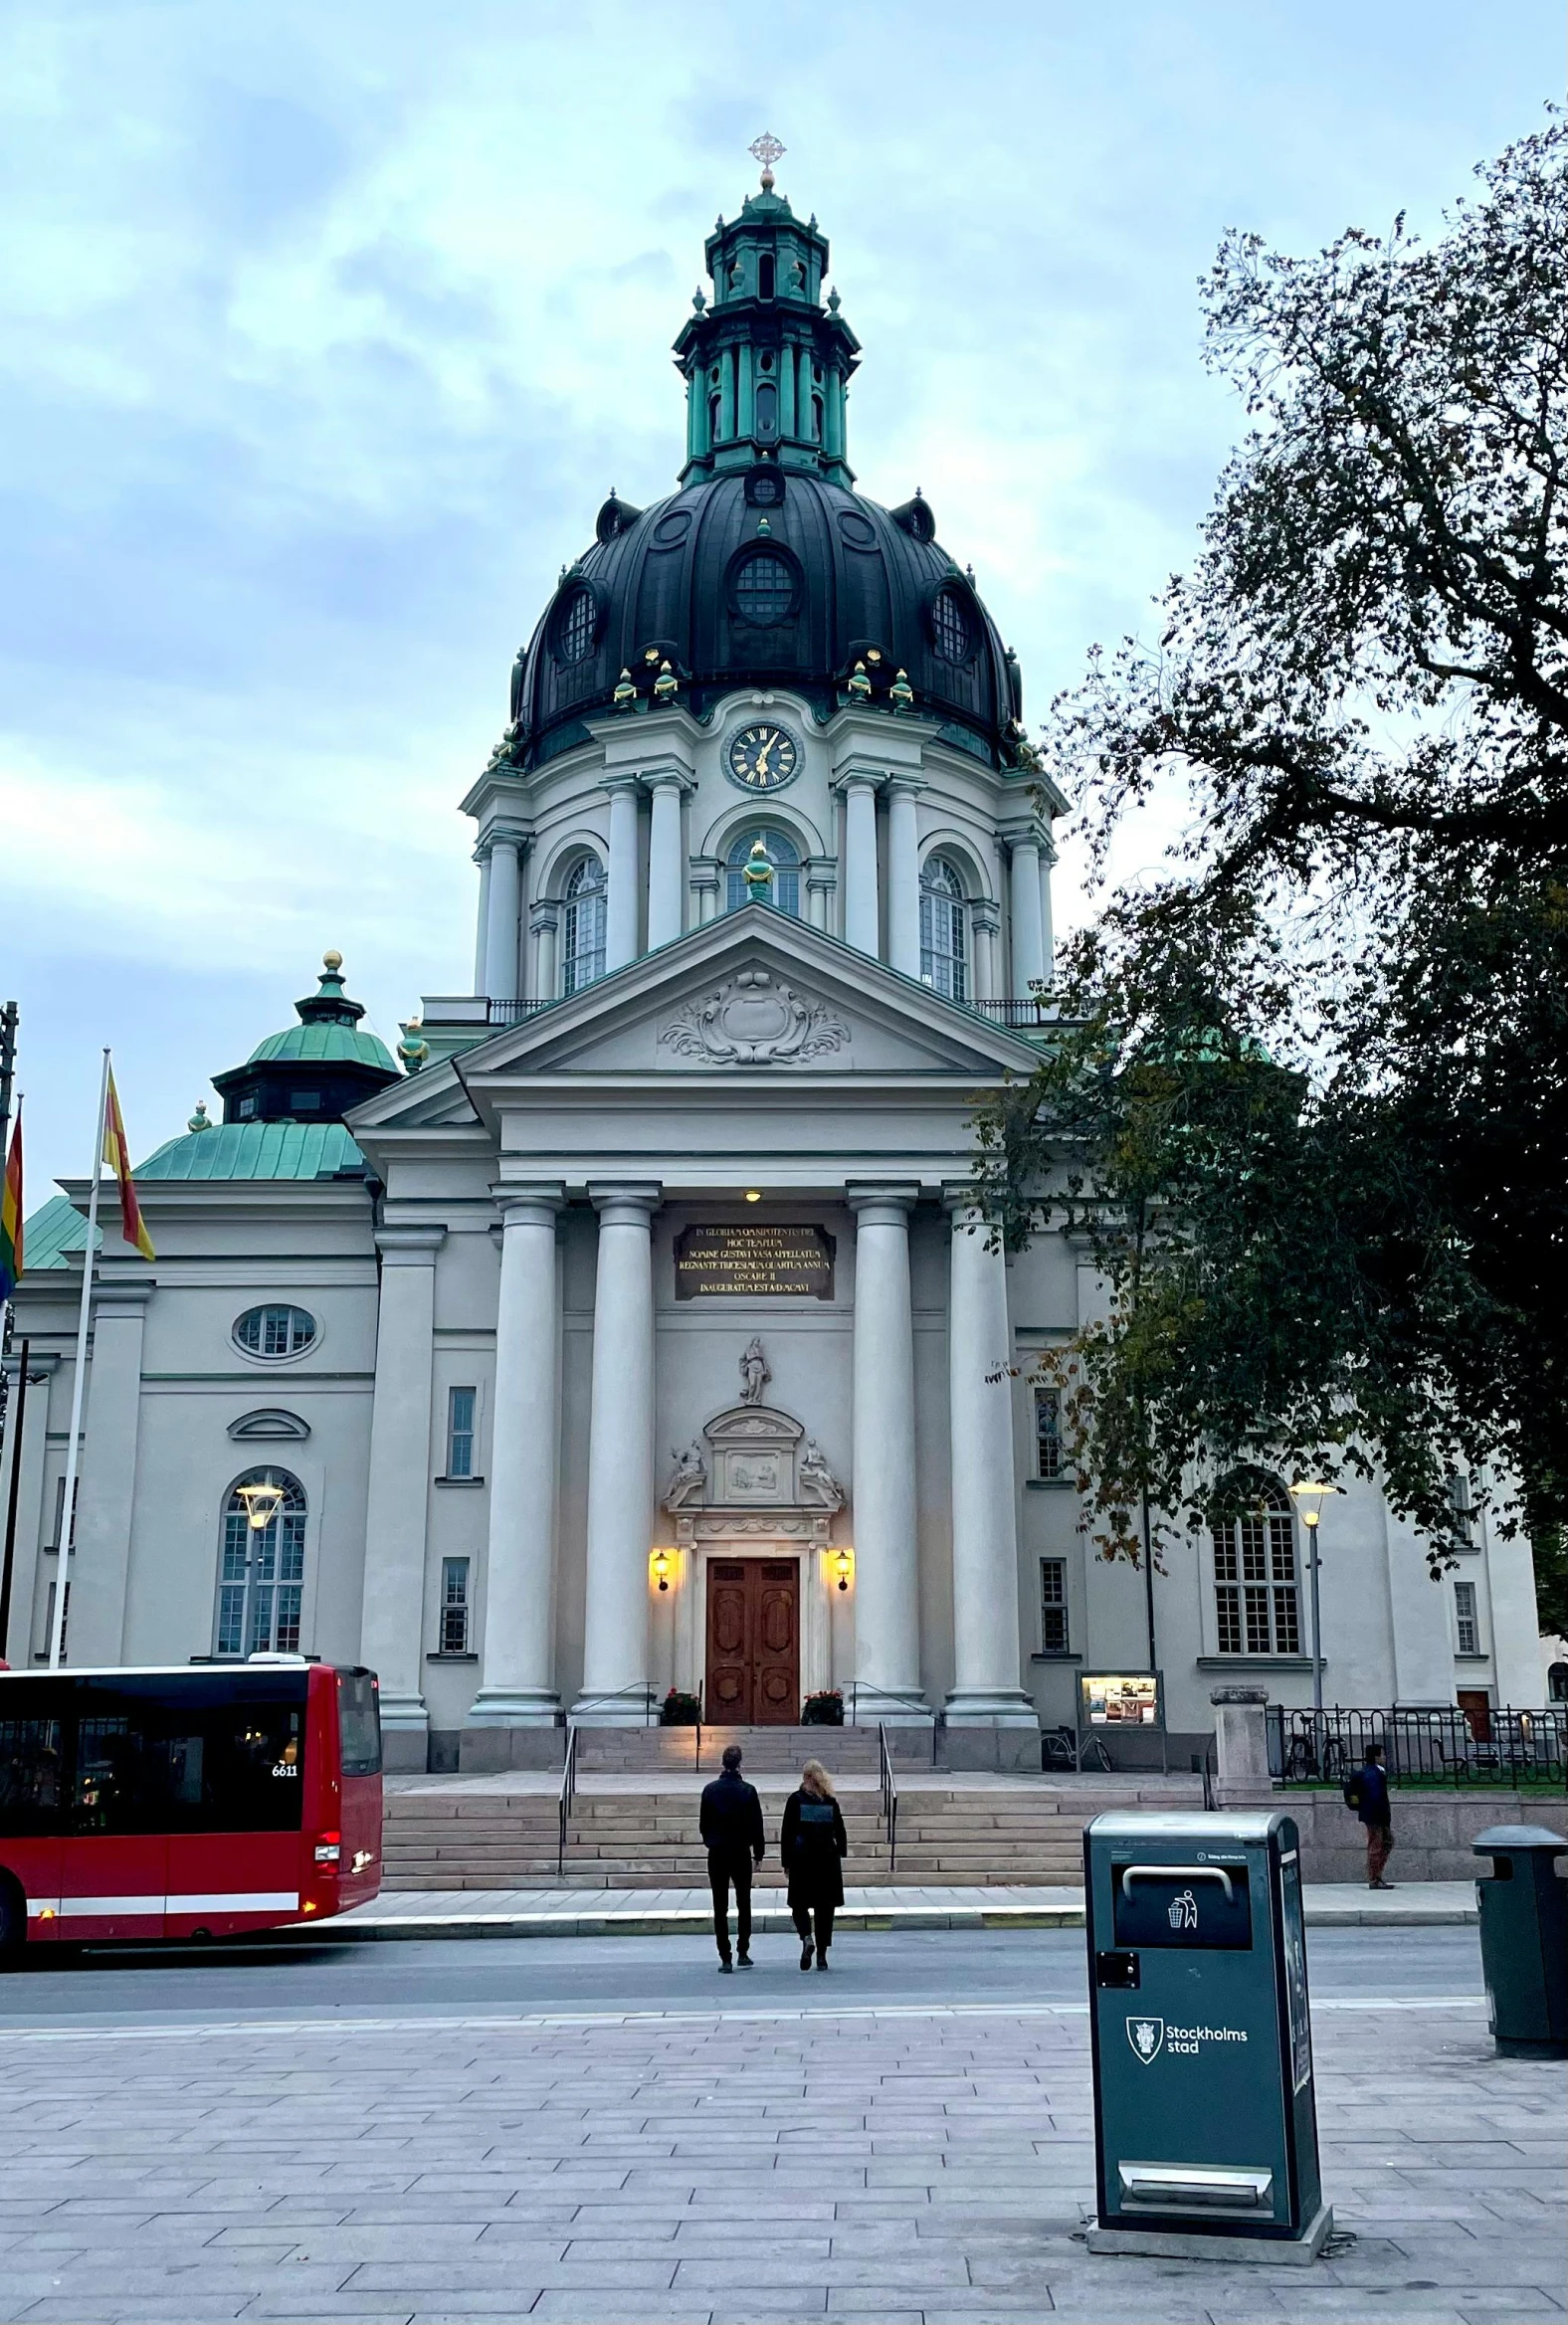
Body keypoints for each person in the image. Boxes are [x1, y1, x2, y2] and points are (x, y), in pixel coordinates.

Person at [698, 1742, 765, 1971]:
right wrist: (759, 1853)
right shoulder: (748, 1790)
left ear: (723, 1762)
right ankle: (743, 1951)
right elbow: (757, 1825)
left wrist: (711, 1841)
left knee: (720, 1906)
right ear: (739, 1763)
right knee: (743, 1902)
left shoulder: (709, 1790)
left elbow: (703, 1824)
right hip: (740, 1852)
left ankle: (725, 1956)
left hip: (717, 1852)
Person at [781, 1757, 848, 1971]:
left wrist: (786, 1861)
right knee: (824, 1910)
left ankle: (806, 1937)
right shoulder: (830, 1801)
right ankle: (822, 1954)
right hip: (826, 1861)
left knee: (798, 1905)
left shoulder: (795, 1800)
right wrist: (839, 1853)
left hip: (802, 1860)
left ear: (805, 1777)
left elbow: (787, 1833)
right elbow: (841, 1832)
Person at [1344, 1739, 1395, 1888]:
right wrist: (1383, 1817)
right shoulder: (1374, 1774)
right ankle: (1374, 1879)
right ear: (1377, 1757)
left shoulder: (1371, 1772)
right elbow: (1376, 1796)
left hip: (1374, 1815)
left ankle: (1377, 1876)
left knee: (1385, 1843)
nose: (1385, 1758)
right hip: (1376, 1816)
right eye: (1382, 1755)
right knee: (1377, 1845)